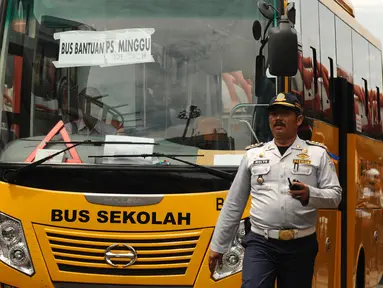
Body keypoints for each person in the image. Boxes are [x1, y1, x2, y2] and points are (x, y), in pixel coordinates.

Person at [208, 92, 342, 288]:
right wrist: (218, 246)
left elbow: (335, 197)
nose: (278, 118)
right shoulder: (254, 155)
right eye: (273, 114)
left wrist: (310, 194)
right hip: (261, 242)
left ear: (299, 119)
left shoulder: (317, 154)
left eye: (285, 113)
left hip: (301, 244)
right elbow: (234, 203)